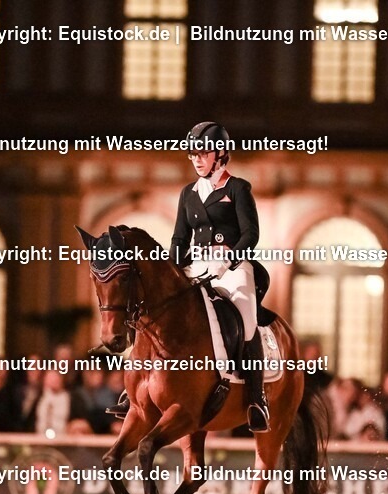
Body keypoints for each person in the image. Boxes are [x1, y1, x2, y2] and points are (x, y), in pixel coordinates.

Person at [108, 121, 270, 432]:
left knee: (247, 322)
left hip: (233, 270)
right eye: (192, 153)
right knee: (154, 312)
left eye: (203, 153)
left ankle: (256, 399)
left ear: (220, 155)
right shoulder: (188, 193)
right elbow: (179, 238)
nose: (196, 159)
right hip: (196, 266)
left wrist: (229, 261)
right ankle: (134, 390)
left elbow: (251, 234)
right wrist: (171, 271)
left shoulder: (237, 188)